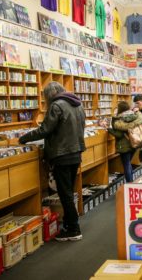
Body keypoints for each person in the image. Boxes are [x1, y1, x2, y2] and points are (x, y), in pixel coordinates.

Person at [19, 82, 86, 242]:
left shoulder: (56, 106)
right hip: (76, 152)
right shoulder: (77, 104)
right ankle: (71, 224)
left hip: (62, 155)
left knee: (65, 194)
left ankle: (74, 229)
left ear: (49, 95)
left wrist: (24, 138)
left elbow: (45, 130)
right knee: (69, 191)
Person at [109, 101, 142, 183]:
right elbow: (140, 120)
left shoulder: (119, 120)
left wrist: (108, 129)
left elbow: (119, 134)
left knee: (126, 164)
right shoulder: (133, 116)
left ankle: (130, 184)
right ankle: (131, 181)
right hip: (134, 142)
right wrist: (138, 111)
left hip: (124, 145)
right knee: (128, 163)